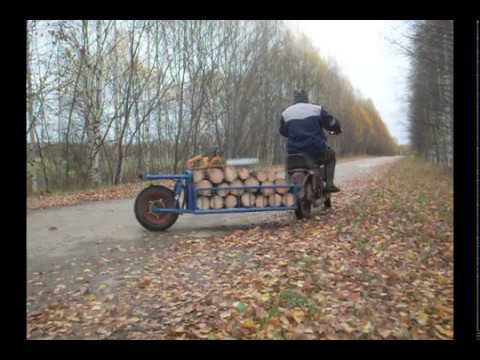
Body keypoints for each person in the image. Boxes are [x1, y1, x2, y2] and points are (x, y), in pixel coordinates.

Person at [279, 89, 342, 193]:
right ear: (306, 98)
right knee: (331, 155)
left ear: (294, 100)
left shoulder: (286, 113)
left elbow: (283, 131)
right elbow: (331, 123)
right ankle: (329, 185)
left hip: (294, 153)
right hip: (315, 151)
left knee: (289, 167)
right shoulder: (316, 109)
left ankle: (288, 187)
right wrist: (337, 128)